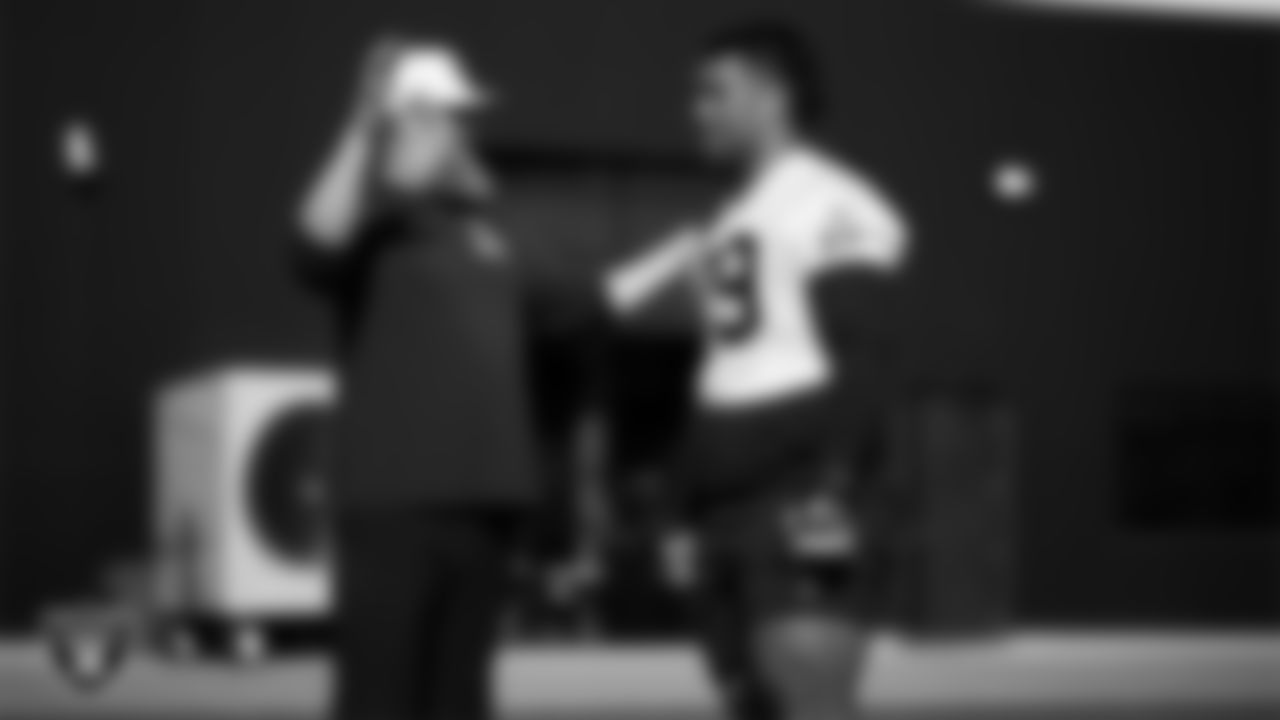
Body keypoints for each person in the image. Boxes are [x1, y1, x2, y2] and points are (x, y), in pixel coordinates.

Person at [604, 19, 912, 720]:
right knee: (749, 703)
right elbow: (725, 370)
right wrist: (685, 502)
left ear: (773, 98)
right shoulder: (732, 215)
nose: (696, 110)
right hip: (726, 508)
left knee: (810, 694)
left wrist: (829, 494)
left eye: (715, 92)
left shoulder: (829, 199)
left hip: (798, 492)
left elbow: (868, 357)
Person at [293, 38, 538, 720]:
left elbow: (580, 305)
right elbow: (311, 250)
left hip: (484, 507)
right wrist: (364, 126)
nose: (467, 130)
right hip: (396, 504)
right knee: (381, 699)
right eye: (452, 115)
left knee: (459, 701)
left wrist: (675, 260)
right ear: (413, 120)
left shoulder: (483, 233)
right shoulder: (377, 219)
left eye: (466, 117)